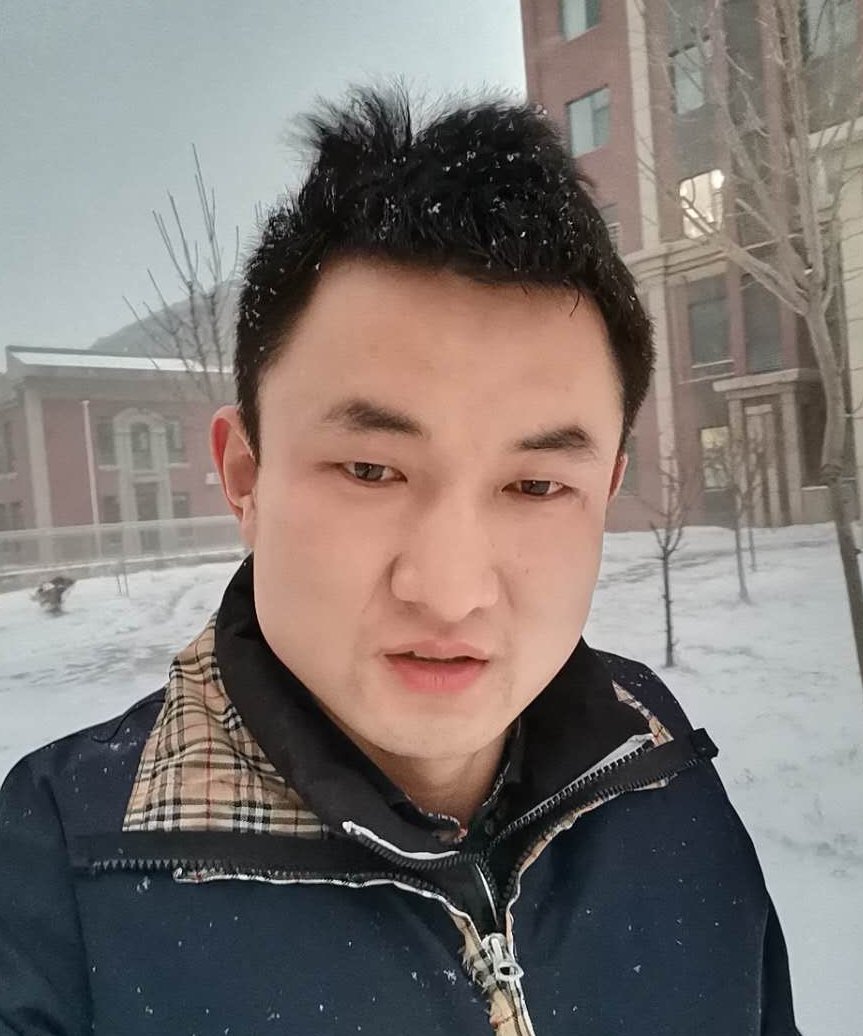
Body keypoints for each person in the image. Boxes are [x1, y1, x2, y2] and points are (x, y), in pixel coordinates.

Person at [0, 87, 800, 1035]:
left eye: (537, 485)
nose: (450, 592)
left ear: (606, 488)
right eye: (371, 470)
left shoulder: (656, 767)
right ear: (245, 474)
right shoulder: (57, 876)